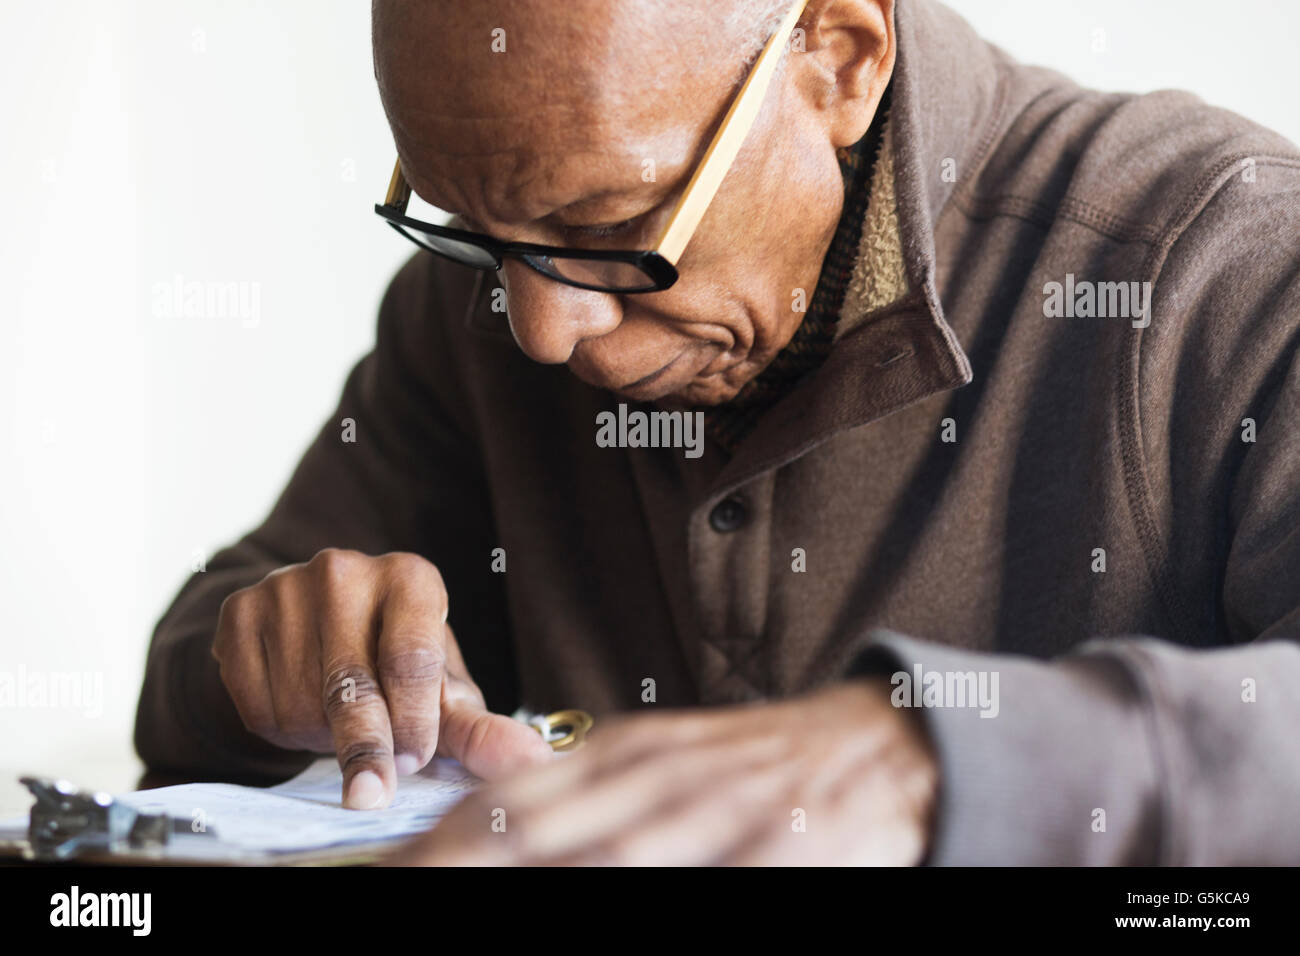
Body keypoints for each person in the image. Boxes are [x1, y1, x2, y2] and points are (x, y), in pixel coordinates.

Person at [135, 0, 1300, 864]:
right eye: (470, 223)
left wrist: (926, 765)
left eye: (612, 223)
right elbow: (202, 655)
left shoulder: (1219, 265)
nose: (543, 330)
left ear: (839, 59)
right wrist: (274, 660)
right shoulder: (490, 291)